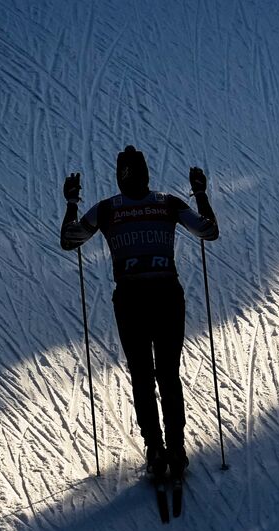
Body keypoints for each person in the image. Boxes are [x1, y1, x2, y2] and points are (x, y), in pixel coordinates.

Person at [60, 145, 219, 479]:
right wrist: (201, 193)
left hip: (131, 300)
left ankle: (154, 449)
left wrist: (71, 203)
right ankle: (176, 449)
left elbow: (69, 240)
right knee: (168, 374)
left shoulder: (106, 210)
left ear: (119, 178)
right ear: (147, 174)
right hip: (167, 297)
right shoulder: (168, 203)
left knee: (143, 377)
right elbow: (208, 230)